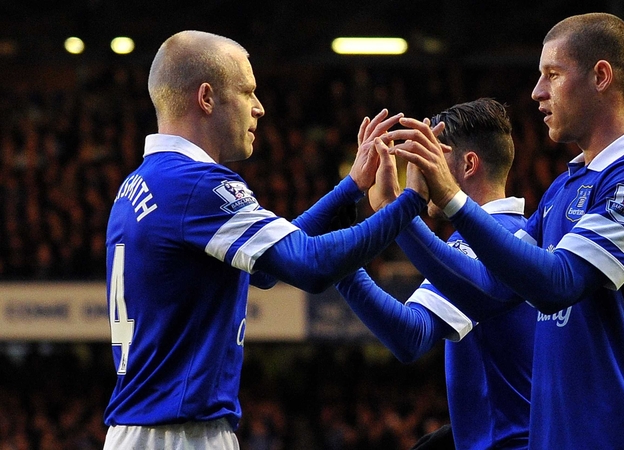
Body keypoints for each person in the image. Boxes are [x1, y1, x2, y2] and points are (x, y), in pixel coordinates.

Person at [103, 30, 433, 449]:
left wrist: (349, 189)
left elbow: (266, 270)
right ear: (206, 98)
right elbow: (310, 265)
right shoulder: (195, 185)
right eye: (247, 92)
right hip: (180, 434)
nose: (259, 107)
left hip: (145, 430)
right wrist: (410, 202)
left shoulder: (141, 183)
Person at [385, 13, 624, 449]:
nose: (537, 92)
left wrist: (454, 200)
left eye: (553, 74)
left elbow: (559, 283)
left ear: (601, 76)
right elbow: (489, 291)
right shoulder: (563, 188)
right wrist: (398, 216)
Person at [335, 98, 534, 449]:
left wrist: (338, 259)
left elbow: (410, 335)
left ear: (468, 164)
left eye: (429, 155)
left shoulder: (488, 242)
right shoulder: (520, 233)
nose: (418, 169)